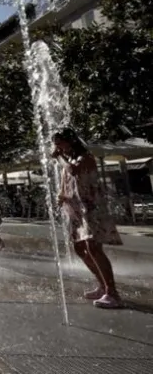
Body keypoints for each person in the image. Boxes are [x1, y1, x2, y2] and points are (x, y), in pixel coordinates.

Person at [52, 127, 123, 309]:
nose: (58, 148)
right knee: (79, 248)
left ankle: (112, 292)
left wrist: (58, 157)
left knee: (93, 248)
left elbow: (73, 171)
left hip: (91, 209)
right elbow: (66, 180)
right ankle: (102, 285)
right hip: (77, 211)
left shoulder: (86, 158)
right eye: (56, 145)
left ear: (71, 141)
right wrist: (61, 196)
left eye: (60, 144)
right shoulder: (69, 159)